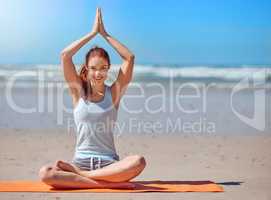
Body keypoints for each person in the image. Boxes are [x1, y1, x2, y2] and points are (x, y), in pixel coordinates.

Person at [38, 8, 146, 189]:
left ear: (108, 69)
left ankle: (84, 178)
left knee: (138, 161)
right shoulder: (77, 92)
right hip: (79, 161)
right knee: (45, 173)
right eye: (94, 68)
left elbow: (129, 57)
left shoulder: (114, 94)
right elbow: (65, 56)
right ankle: (104, 185)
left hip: (109, 164)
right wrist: (92, 33)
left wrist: (104, 34)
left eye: (103, 68)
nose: (98, 73)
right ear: (86, 69)